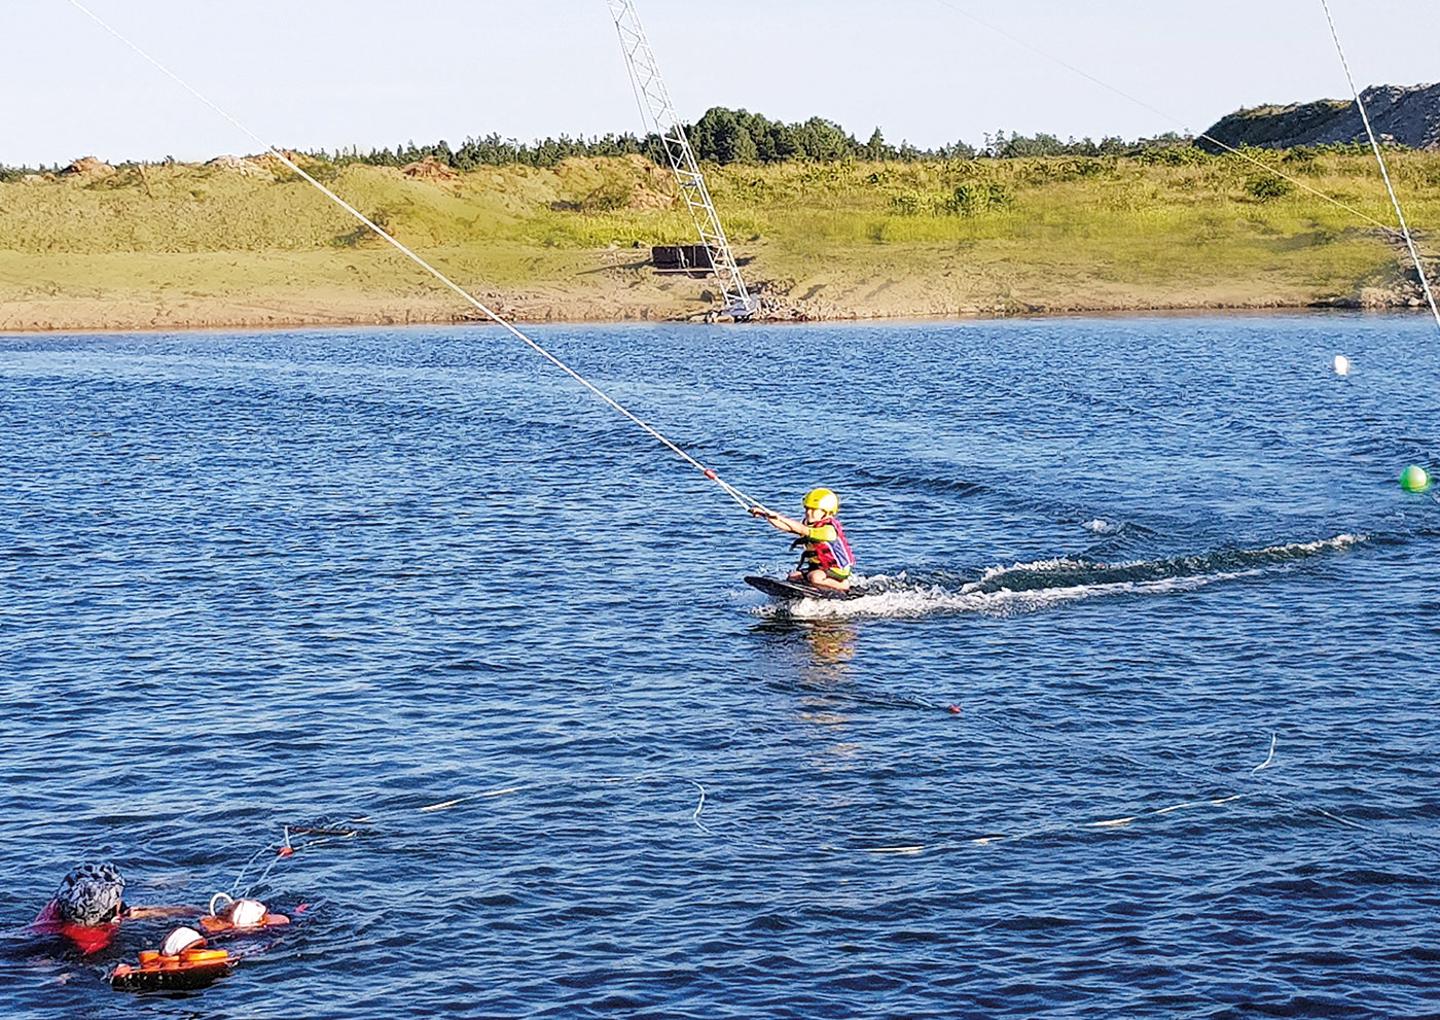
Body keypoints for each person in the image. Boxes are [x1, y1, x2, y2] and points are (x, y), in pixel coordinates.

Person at [30, 863, 193, 955]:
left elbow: (129, 911)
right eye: (118, 897)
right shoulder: (89, 944)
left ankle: (157, 883)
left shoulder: (60, 907)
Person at [750, 487, 855, 592]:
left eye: (813, 509)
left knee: (814, 577)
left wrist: (779, 516)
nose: (809, 512)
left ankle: (843, 585)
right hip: (821, 566)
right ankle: (816, 589)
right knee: (793, 577)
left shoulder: (828, 530)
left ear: (826, 512)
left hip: (837, 569)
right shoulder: (811, 524)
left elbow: (802, 529)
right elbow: (788, 527)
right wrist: (765, 515)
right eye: (807, 509)